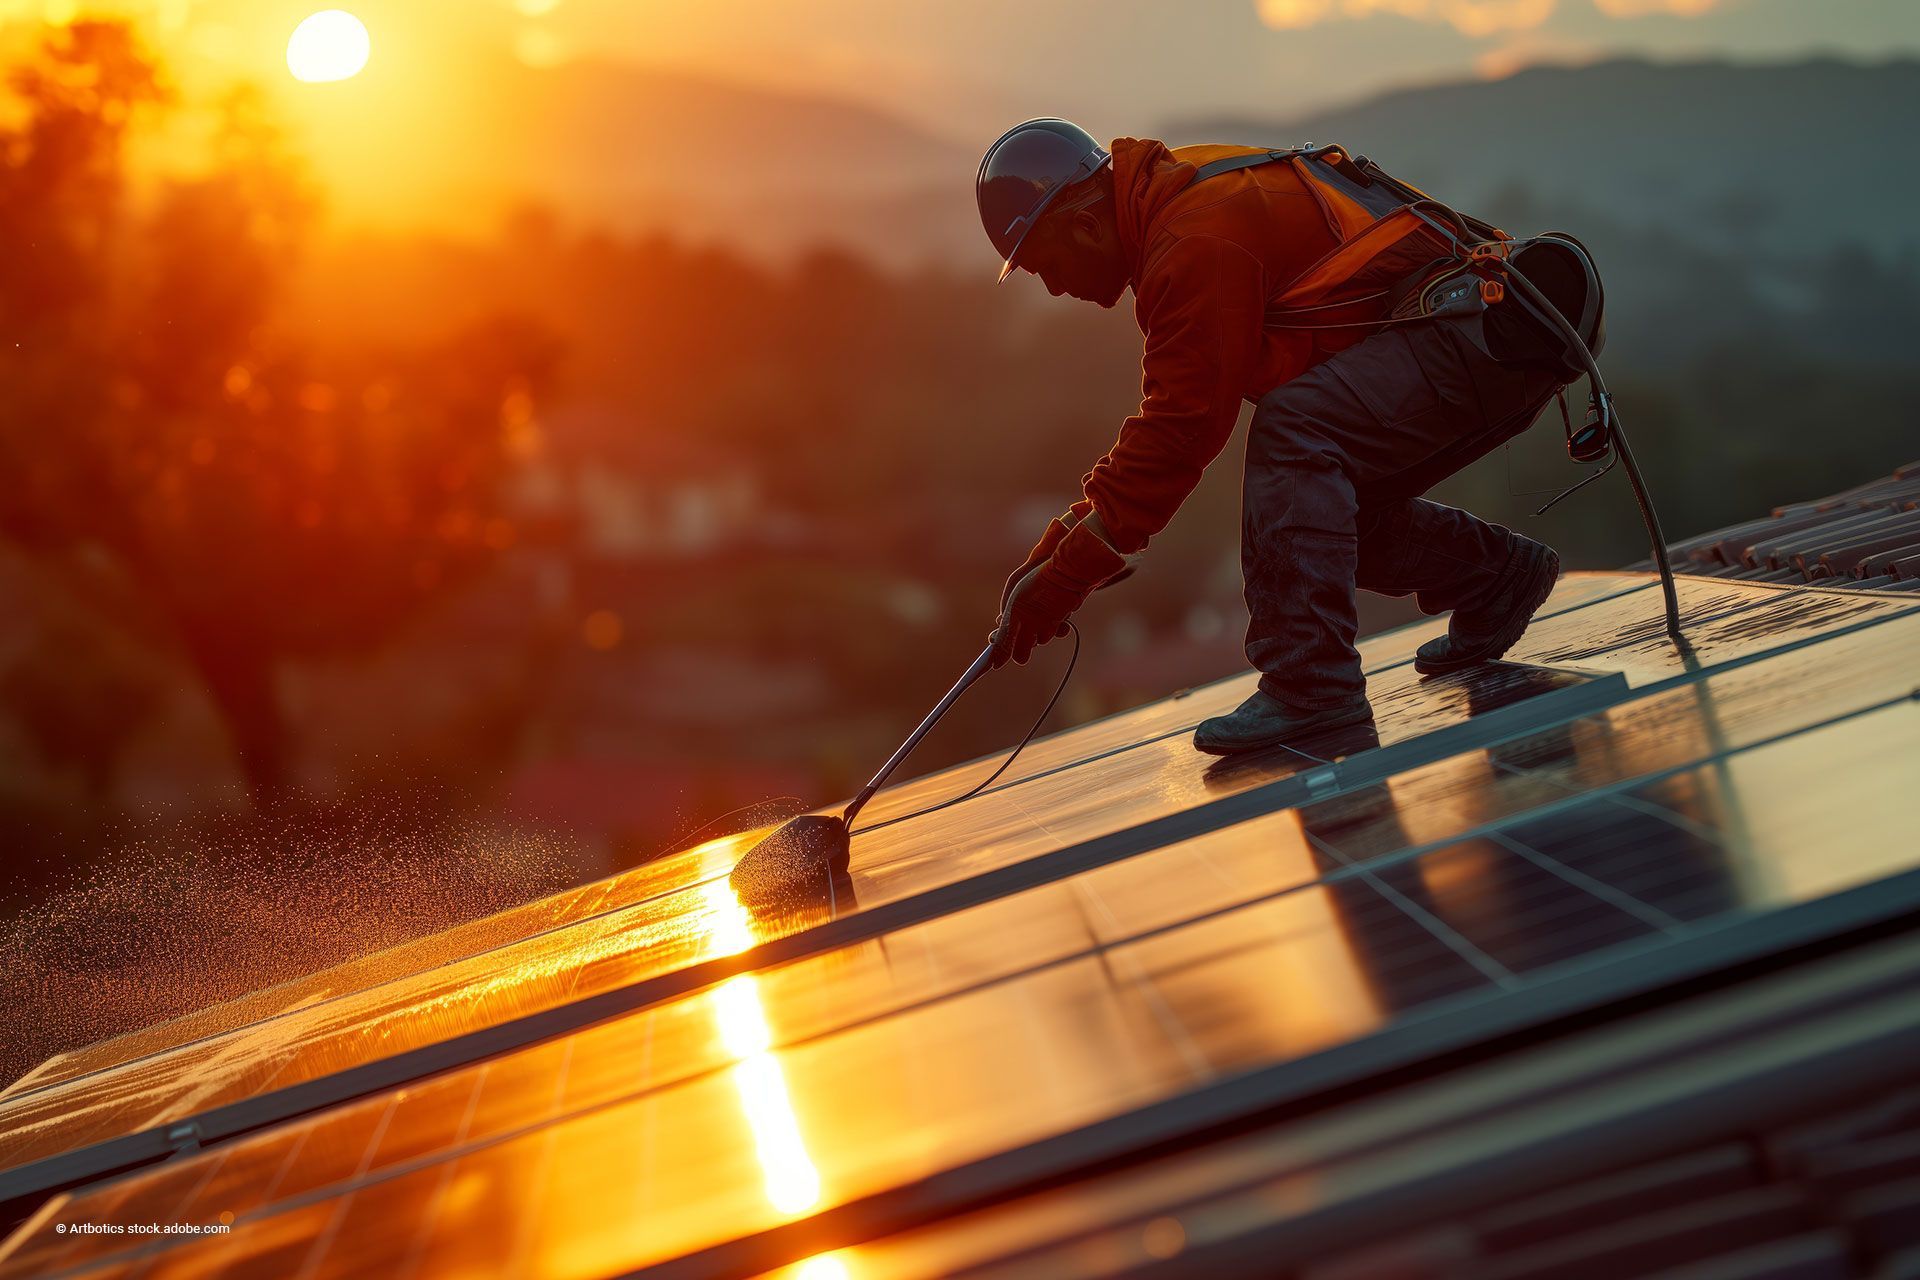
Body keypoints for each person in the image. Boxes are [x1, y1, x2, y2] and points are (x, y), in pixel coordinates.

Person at [979, 119, 1579, 754]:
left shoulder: (1191, 239)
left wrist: (1068, 576)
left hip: (1488, 336)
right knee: (1314, 509)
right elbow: (1176, 426)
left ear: (1085, 227)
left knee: (1293, 433)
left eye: (1046, 267)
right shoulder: (1175, 194)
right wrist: (1059, 549)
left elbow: (1182, 429)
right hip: (1483, 333)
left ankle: (1309, 687)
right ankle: (1495, 577)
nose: (1053, 288)